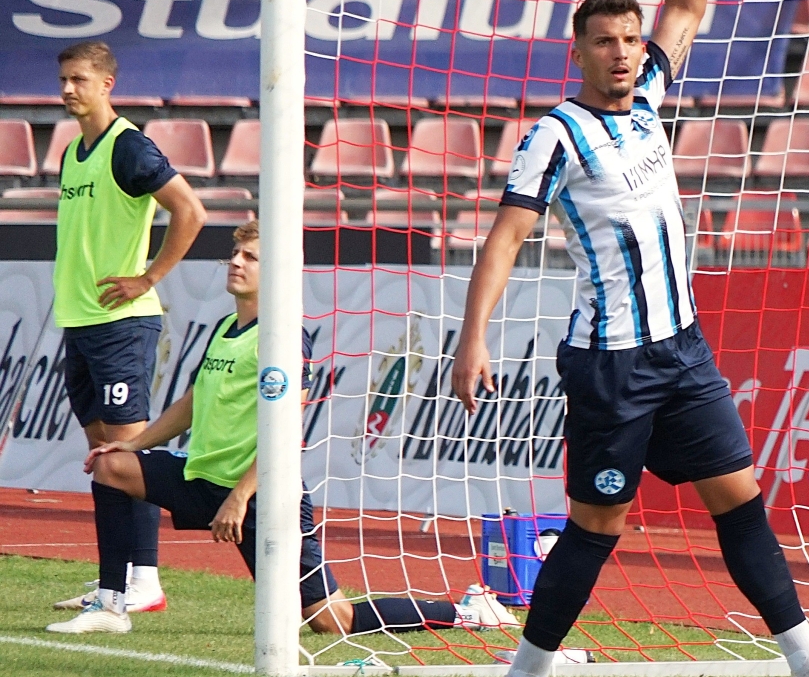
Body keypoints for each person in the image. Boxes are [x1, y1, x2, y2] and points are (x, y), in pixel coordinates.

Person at [450, 0, 809, 677]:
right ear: (578, 51)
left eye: (628, 39)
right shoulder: (557, 136)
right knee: (598, 527)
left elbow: (688, 3)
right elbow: (505, 238)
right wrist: (473, 338)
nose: (622, 53)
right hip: (611, 364)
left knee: (741, 499)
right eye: (605, 42)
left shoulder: (650, 92)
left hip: (682, 350)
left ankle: (808, 666)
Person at [50, 221, 517, 636]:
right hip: (203, 477)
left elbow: (288, 428)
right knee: (111, 466)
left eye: (251, 257)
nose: (236, 262)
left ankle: (467, 612)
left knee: (330, 620)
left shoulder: (284, 336)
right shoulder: (225, 328)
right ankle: (111, 604)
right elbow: (192, 403)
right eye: (235, 254)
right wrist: (131, 444)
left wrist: (240, 497)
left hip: (261, 494)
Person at [49, 40, 206, 617]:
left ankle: (144, 579)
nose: (69, 89)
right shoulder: (73, 152)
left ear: (107, 84)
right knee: (103, 455)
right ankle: (113, 581)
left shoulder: (128, 146)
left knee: (126, 454)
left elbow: (190, 210)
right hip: (79, 321)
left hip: (120, 324)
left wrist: (148, 277)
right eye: (64, 80)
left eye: (79, 79)